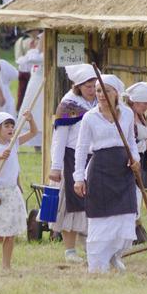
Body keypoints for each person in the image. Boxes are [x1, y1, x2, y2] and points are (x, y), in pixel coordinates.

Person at [73, 74, 141, 273]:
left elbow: (130, 142)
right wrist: (78, 178)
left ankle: (114, 255)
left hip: (123, 169)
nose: (101, 94)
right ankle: (97, 264)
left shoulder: (127, 114)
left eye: (106, 90)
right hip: (100, 169)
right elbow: (81, 148)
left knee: (126, 215)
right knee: (101, 218)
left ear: (116, 93)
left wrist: (134, 160)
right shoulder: (90, 117)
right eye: (99, 90)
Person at [49, 64, 98, 263]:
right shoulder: (68, 104)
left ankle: (90, 247)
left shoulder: (99, 103)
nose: (92, 89)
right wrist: (56, 166)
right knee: (72, 205)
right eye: (88, 86)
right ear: (78, 85)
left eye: (95, 85)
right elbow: (59, 139)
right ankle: (70, 251)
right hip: (71, 157)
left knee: (91, 205)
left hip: (93, 157)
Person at [0, 110, 38, 270]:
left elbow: (33, 132)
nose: (11, 128)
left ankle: (6, 266)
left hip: (13, 191)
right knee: (1, 230)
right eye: (7, 126)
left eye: (12, 125)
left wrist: (30, 120)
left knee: (11, 232)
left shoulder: (14, 142)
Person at [123, 81, 147, 244]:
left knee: (138, 194)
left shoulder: (140, 115)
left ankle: (135, 228)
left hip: (141, 158)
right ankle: (131, 229)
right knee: (133, 195)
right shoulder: (125, 115)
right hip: (128, 160)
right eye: (144, 104)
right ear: (134, 101)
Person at [16, 30, 44, 148]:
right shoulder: (35, 54)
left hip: (40, 87)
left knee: (39, 112)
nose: (37, 42)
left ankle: (41, 142)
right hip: (32, 86)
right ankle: (33, 142)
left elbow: (32, 59)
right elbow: (22, 62)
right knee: (30, 110)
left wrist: (36, 49)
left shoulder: (41, 56)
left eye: (39, 40)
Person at [13, 30, 31, 110]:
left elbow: (17, 57)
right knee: (27, 93)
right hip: (29, 70)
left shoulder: (19, 41)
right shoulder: (30, 41)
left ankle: (19, 109)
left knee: (21, 92)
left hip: (21, 69)